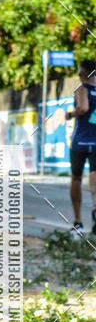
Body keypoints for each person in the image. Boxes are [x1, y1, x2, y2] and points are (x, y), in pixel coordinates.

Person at [65, 59, 96, 235]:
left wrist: (70, 114)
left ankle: (78, 223)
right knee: (95, 177)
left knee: (76, 178)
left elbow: (83, 107)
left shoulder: (81, 88)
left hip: (80, 142)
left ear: (82, 73)